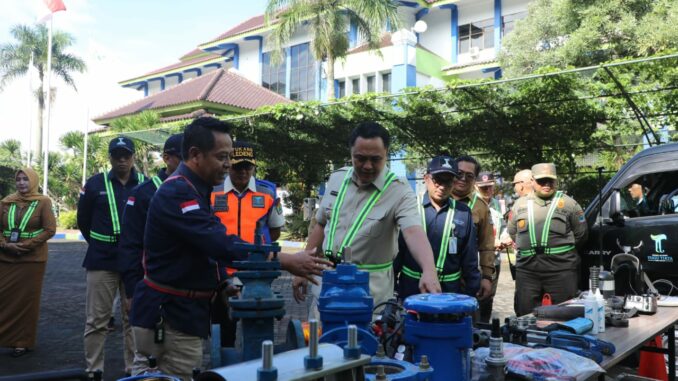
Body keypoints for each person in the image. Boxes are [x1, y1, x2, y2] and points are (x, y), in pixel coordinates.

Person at [129, 117, 330, 380]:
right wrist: (284, 260)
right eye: (222, 157)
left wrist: (222, 282)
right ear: (195, 155)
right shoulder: (178, 192)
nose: (228, 165)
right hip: (170, 316)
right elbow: (218, 242)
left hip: (182, 313)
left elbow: (200, 248)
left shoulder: (195, 189)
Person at [293, 121, 441, 315]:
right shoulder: (337, 179)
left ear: (386, 154)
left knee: (364, 342)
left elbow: (413, 232)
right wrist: (304, 267)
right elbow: (321, 224)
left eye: (375, 159)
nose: (367, 166)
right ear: (351, 153)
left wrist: (429, 270)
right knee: (323, 340)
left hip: (370, 291)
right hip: (328, 282)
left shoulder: (399, 190)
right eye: (360, 158)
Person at [77, 136, 146, 377]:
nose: (122, 160)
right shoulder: (95, 184)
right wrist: (100, 243)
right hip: (102, 260)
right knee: (97, 320)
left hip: (134, 263)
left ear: (133, 156)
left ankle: (133, 369)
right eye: (117, 156)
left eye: (126, 155)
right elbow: (83, 221)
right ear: (110, 158)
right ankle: (94, 370)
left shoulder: (145, 185)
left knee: (134, 317)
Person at [210, 140, 284, 347]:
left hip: (257, 272)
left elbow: (275, 231)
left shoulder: (268, 192)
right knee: (224, 330)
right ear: (229, 165)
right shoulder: (213, 191)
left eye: (247, 167)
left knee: (259, 326)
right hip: (222, 272)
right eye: (237, 166)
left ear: (253, 166)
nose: (243, 172)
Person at [507, 163, 588, 316]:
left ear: (556, 181)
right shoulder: (519, 205)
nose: (546, 184)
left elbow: (581, 234)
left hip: (561, 270)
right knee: (524, 316)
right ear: (532, 181)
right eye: (541, 180)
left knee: (565, 316)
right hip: (527, 271)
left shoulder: (570, 204)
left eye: (550, 180)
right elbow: (513, 232)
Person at [396, 156, 479, 300]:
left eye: (448, 182)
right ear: (426, 178)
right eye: (437, 180)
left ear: (454, 182)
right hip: (412, 290)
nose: (442, 186)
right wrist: (393, 292)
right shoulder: (410, 209)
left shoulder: (463, 213)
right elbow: (396, 253)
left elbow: (469, 258)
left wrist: (471, 294)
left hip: (448, 292)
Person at [119, 134, 183, 313]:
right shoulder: (144, 193)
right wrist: (132, 290)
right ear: (166, 158)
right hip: (151, 282)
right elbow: (130, 243)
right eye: (182, 158)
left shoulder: (198, 189)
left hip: (185, 288)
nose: (188, 164)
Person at [0, 168, 56, 357]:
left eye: (25, 179)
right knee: (4, 298)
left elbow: (49, 230)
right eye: (18, 179)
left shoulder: (43, 202)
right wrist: (5, 245)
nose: (22, 183)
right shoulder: (6, 202)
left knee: (26, 302)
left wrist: (27, 245)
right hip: (6, 257)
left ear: (33, 181)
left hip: (32, 260)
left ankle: (21, 342)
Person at [451, 156, 494, 304]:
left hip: (467, 278)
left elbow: (486, 245)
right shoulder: (438, 198)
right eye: (459, 173)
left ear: (475, 179)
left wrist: (487, 277)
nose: (463, 178)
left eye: (469, 176)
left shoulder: (481, 207)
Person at [475, 171, 503, 322]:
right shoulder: (471, 204)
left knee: (488, 299)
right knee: (474, 299)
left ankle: (484, 330)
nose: (487, 190)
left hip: (494, 261)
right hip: (476, 262)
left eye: (489, 187)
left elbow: (502, 227)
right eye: (483, 187)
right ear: (475, 187)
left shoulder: (497, 204)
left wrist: (504, 238)